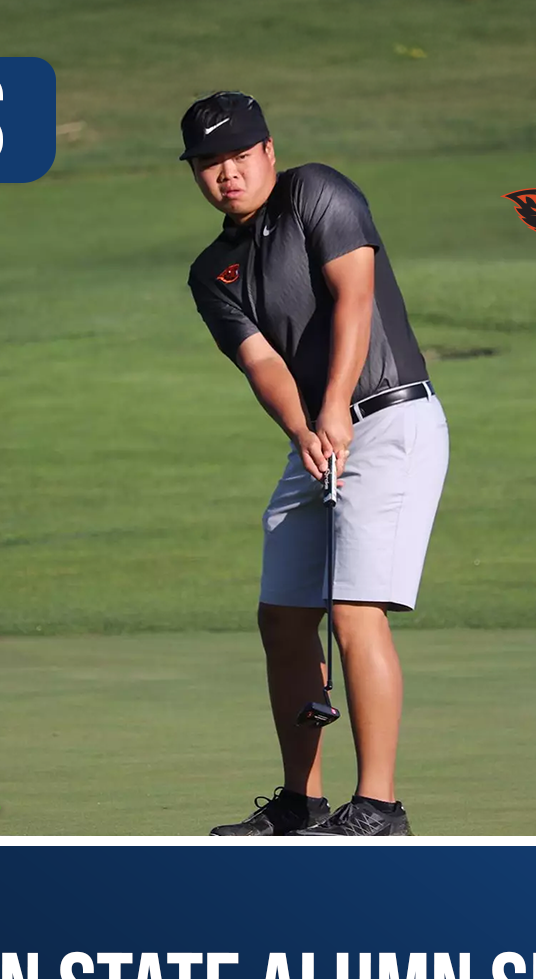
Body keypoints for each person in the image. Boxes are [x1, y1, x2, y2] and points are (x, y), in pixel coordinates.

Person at [182, 91, 449, 836]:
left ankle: (379, 807)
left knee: (354, 608)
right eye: (209, 163)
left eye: (238, 156)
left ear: (268, 150)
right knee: (284, 616)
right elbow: (261, 361)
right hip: (320, 438)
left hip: (390, 417)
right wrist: (305, 425)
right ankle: (302, 804)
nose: (226, 173)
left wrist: (333, 405)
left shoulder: (317, 192)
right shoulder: (214, 270)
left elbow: (354, 298)